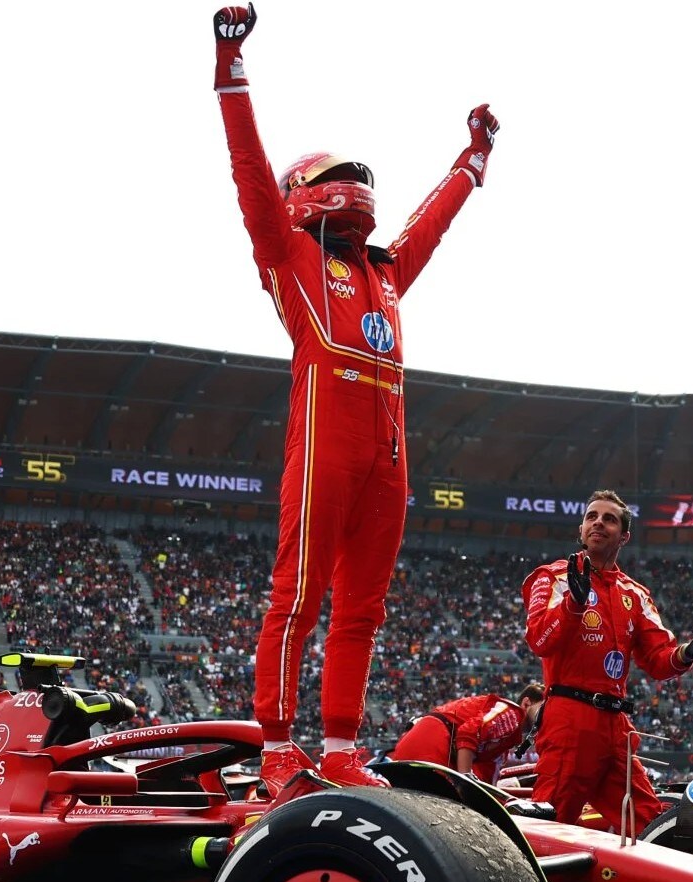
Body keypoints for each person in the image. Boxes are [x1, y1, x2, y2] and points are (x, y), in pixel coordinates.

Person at [212, 4, 500, 790]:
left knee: (363, 611)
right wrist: (231, 68)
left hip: (389, 461)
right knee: (298, 596)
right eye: (340, 178)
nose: (356, 189)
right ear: (303, 194)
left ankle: (340, 748)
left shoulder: (385, 271)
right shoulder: (288, 255)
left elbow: (431, 223)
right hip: (324, 451)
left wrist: (472, 161)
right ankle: (278, 747)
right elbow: (247, 171)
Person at [523, 492, 693, 834]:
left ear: (624, 537)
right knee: (552, 827)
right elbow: (539, 640)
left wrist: (687, 653)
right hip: (570, 720)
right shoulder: (553, 577)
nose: (598, 522)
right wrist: (573, 604)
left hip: (617, 728)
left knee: (651, 825)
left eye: (609, 519)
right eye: (591, 517)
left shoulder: (636, 594)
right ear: (581, 529)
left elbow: (659, 659)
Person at [389, 685, 543, 784]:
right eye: (543, 708)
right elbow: (468, 733)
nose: (548, 716)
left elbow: (486, 778)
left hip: (421, 743)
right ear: (526, 703)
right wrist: (465, 780)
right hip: (432, 744)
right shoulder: (512, 714)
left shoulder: (505, 740)